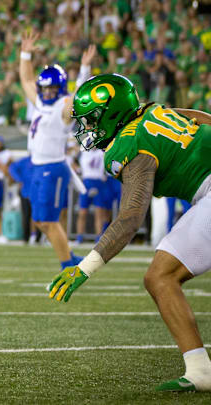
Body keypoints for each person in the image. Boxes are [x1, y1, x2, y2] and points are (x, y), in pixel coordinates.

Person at [48, 73, 211, 392]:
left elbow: (131, 217)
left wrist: (84, 268)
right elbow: (201, 118)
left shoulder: (128, 144)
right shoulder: (153, 109)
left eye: (93, 119)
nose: (88, 128)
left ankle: (200, 370)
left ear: (111, 112)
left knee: (160, 277)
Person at [19, 31, 94, 268]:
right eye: (45, 88)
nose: (48, 92)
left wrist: (84, 70)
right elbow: (26, 80)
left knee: (48, 221)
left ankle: (68, 264)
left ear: (60, 88)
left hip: (52, 167)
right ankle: (69, 257)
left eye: (52, 88)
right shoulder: (40, 101)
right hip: (37, 166)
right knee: (40, 220)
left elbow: (79, 97)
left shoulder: (64, 106)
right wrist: (25, 54)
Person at [75, 149, 112, 243]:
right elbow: (73, 161)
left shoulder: (102, 152)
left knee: (99, 213)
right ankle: (79, 237)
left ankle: (98, 237)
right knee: (82, 212)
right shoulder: (83, 152)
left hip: (98, 182)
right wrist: (78, 170)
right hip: (86, 182)